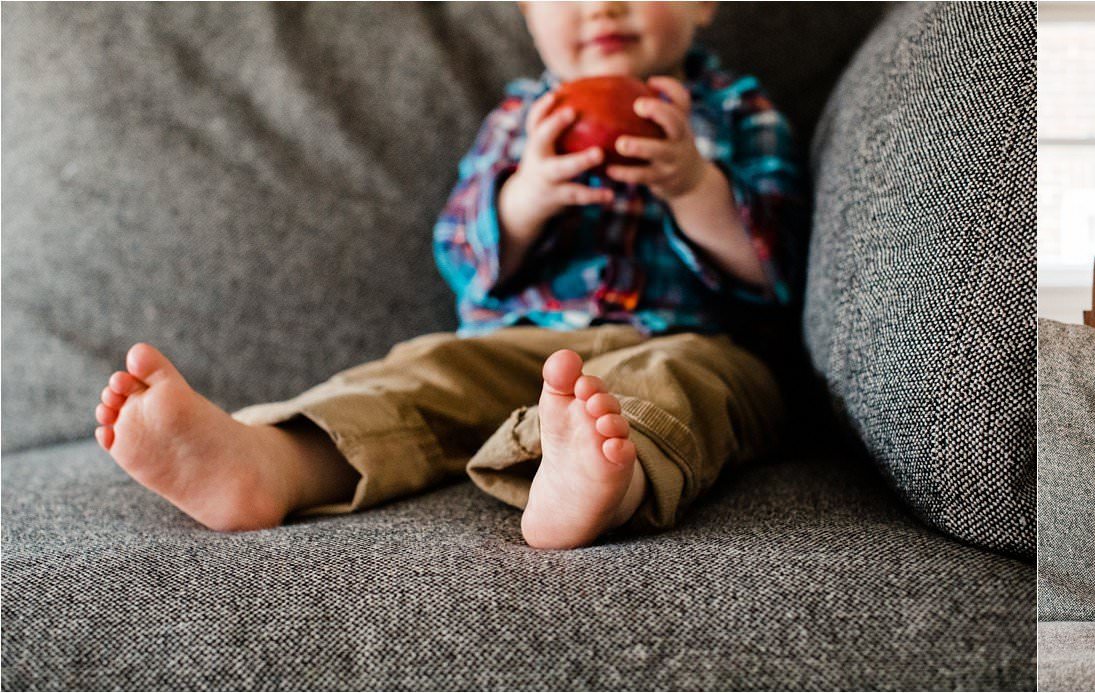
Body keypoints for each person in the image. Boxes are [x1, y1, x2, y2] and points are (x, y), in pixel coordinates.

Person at [92, 1, 802, 550]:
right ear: (527, 12)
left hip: (690, 339)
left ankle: (601, 485)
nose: (604, 4)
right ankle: (273, 460)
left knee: (686, 391)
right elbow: (464, 256)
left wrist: (694, 188)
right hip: (515, 348)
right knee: (425, 370)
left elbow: (776, 270)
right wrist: (527, 197)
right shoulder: (521, 120)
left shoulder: (739, 109)